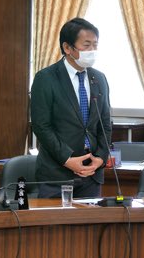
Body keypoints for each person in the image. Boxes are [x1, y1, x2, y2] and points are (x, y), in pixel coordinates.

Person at [31, 17, 112, 198]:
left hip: (91, 174)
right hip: (56, 174)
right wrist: (67, 159)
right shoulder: (46, 78)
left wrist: (100, 158)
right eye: (86, 45)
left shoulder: (99, 78)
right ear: (67, 48)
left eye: (95, 45)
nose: (92, 51)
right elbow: (41, 126)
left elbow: (105, 123)